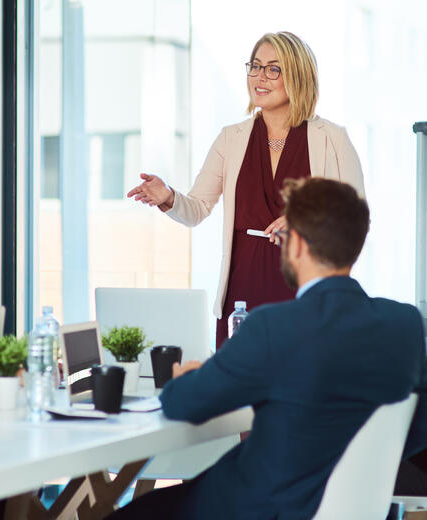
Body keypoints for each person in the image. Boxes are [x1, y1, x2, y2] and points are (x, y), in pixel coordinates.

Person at [108, 178, 427, 519]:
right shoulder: (405, 323)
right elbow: (419, 425)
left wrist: (188, 378)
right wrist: (351, 468)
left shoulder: (274, 326)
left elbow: (181, 403)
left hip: (259, 507)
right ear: (356, 245)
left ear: (299, 245)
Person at [127, 31, 365, 348]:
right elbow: (197, 208)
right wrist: (168, 197)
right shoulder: (231, 138)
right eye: (254, 66)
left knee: (302, 383)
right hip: (243, 289)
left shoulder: (332, 138)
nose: (259, 77)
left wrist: (309, 225)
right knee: (239, 387)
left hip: (307, 286)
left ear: (297, 75)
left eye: (273, 69)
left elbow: (355, 220)